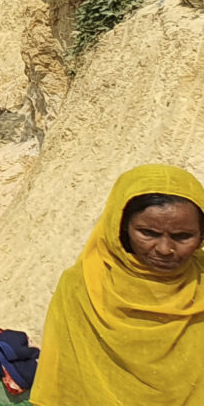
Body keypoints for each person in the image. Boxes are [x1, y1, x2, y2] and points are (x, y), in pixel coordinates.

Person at [31, 164, 204, 406]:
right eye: (148, 233)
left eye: (183, 236)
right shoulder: (83, 285)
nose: (165, 249)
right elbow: (64, 380)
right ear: (121, 227)